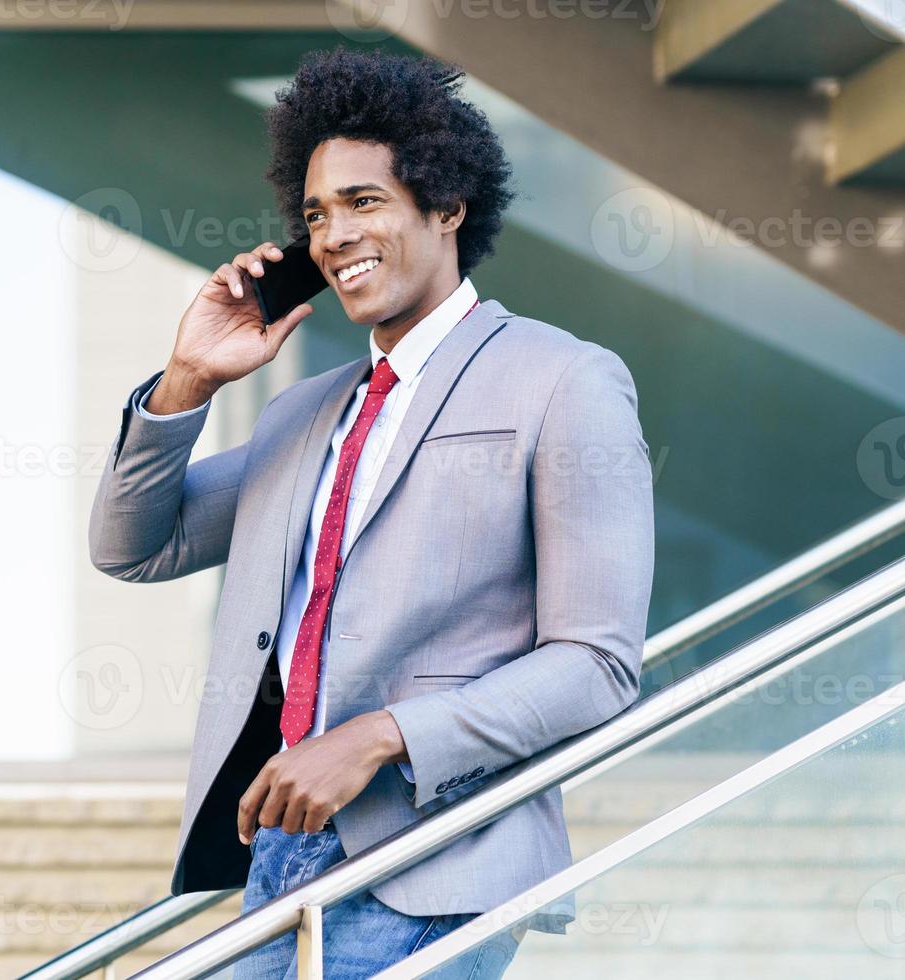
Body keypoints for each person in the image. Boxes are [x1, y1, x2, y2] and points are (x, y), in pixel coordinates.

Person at [88, 46, 654, 978]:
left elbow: (596, 663)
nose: (332, 234)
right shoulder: (302, 414)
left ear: (446, 206)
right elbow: (130, 547)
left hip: (440, 860)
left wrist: (383, 736)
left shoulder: (564, 381)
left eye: (364, 202)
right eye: (315, 214)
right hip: (279, 856)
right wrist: (188, 375)